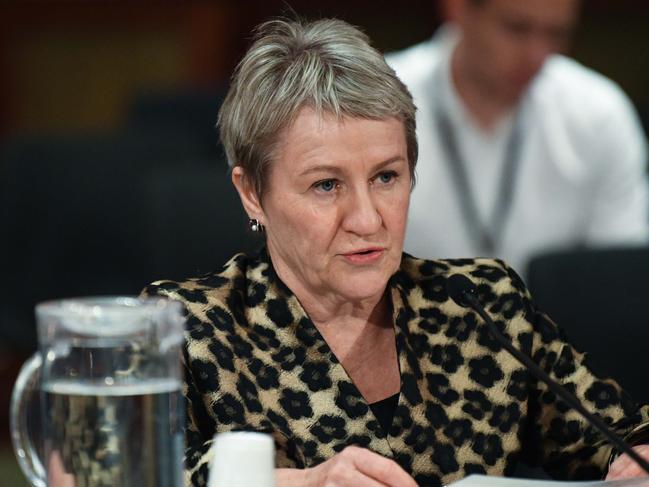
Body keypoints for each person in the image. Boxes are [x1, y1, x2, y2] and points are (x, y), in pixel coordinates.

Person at [142, 17, 649, 487]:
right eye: (326, 185)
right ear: (252, 191)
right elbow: (125, 472)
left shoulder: (480, 305)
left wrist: (634, 456)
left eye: (386, 177)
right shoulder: (185, 328)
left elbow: (620, 432)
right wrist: (305, 483)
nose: (367, 219)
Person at [386, 0, 649, 275]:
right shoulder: (376, 103)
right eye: (516, 28)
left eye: (556, 34)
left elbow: (620, 281)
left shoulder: (599, 114)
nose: (537, 55)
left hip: (553, 318)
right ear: (458, 9)